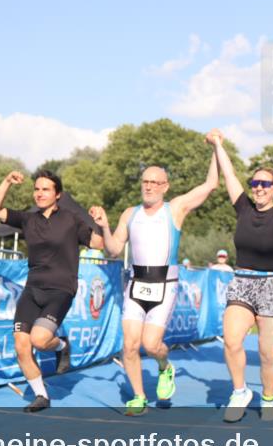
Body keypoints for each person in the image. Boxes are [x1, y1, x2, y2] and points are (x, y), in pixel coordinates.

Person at [89, 157, 218, 416]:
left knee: (151, 344)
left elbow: (211, 184)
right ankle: (139, 397)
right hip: (136, 284)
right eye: (145, 182)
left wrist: (216, 148)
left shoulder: (175, 209)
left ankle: (164, 366)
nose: (148, 187)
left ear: (165, 187)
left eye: (154, 183)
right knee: (129, 345)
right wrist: (103, 226)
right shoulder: (130, 213)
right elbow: (114, 250)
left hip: (165, 284)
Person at [0, 169, 105, 412]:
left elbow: (98, 243)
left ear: (57, 194)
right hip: (33, 290)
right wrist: (7, 182)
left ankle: (61, 345)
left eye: (46, 189)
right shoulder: (29, 219)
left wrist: (102, 224)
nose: (39, 194)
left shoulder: (71, 219)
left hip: (61, 289)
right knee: (21, 345)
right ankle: (41, 396)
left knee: (40, 341)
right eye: (37, 189)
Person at [207, 127, 273, 423]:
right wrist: (219, 144)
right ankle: (240, 391)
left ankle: (268, 398)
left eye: (264, 183)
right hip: (242, 283)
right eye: (255, 183)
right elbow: (230, 175)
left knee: (268, 352)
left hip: (272, 285)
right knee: (232, 341)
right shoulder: (243, 208)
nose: (258, 187)